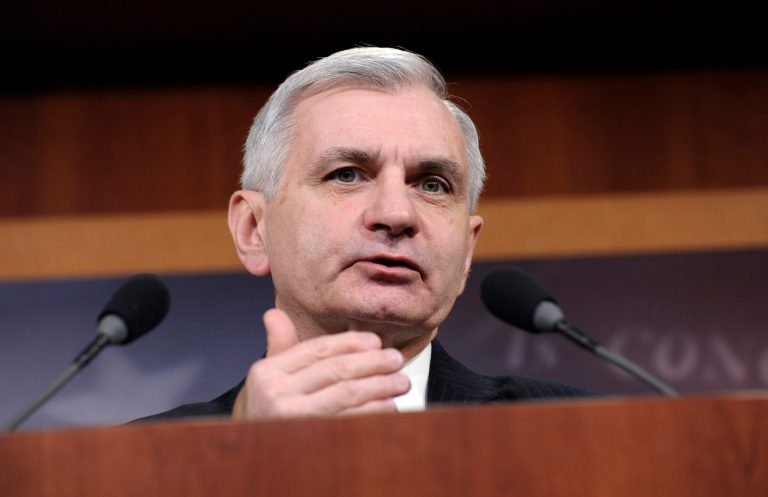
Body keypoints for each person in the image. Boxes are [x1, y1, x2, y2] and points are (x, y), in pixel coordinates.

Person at [142, 47, 586, 422]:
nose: (397, 214)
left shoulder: (579, 434)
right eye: (347, 175)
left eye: (432, 185)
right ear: (253, 230)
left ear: (467, 250)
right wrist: (248, 459)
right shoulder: (143, 463)